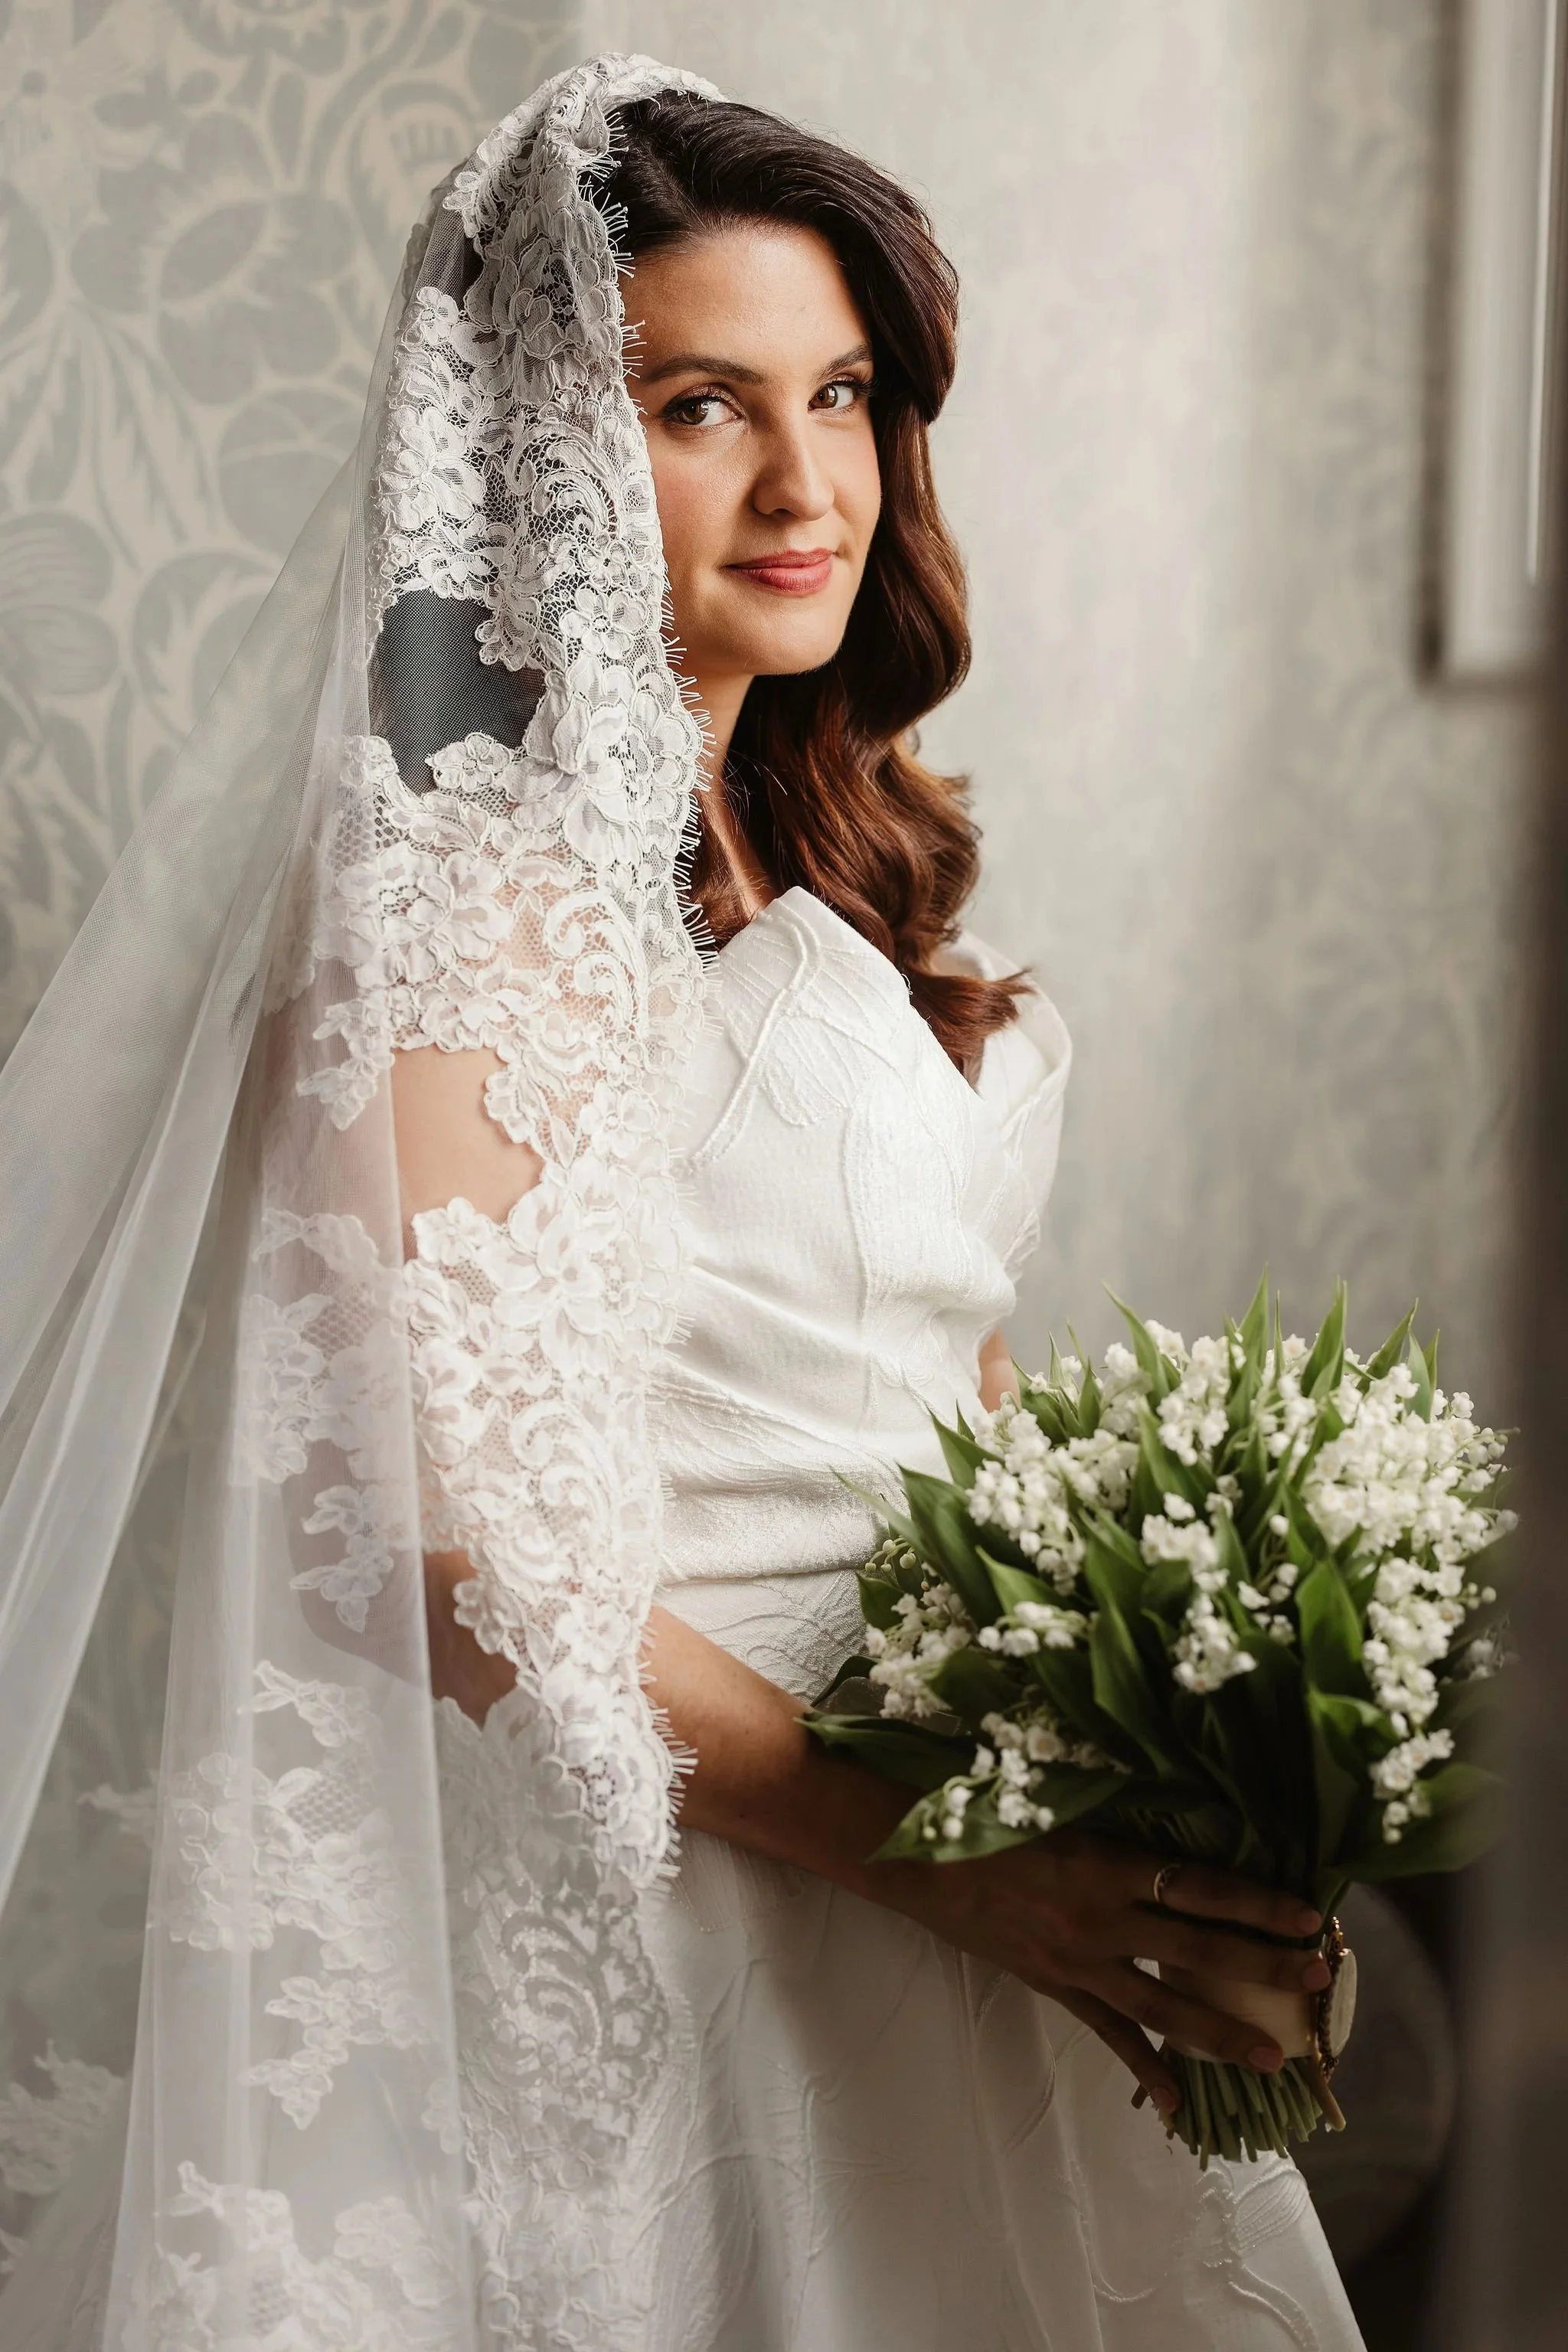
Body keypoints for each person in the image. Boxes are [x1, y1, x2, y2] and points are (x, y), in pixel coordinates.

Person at [0, 54, 1363, 2352]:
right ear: (529, 458)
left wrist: (1177, 1707)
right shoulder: (455, 897)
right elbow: (437, 1550)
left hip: (958, 1871)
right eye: (697, 405)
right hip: (714, 1901)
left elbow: (932, 1373)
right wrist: (974, 1870)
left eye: (840, 393)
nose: (806, 480)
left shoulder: (843, 846)